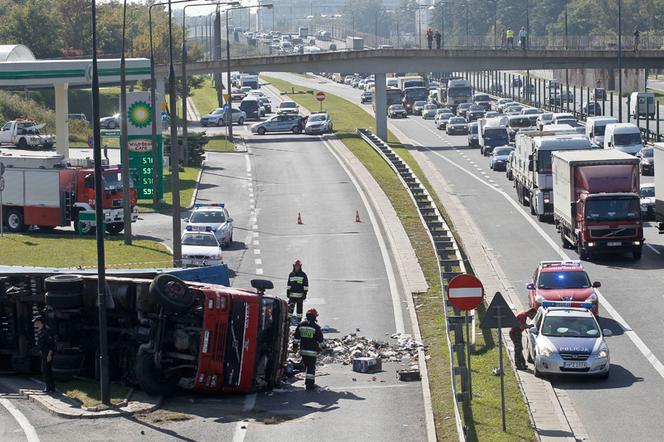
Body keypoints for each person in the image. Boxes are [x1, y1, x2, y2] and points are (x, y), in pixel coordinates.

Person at [293, 308, 325, 390]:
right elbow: (320, 340)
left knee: (306, 366)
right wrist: (324, 347)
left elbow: (296, 337)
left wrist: (295, 347)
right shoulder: (316, 327)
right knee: (311, 368)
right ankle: (309, 385)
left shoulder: (301, 325)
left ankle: (306, 381)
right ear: (315, 317)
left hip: (303, 350)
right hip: (312, 351)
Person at [34, 315, 55, 393]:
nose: (34, 323)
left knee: (45, 370)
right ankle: (51, 387)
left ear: (39, 322)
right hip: (43, 353)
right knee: (47, 370)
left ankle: (48, 387)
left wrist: (49, 355)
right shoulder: (41, 330)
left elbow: (51, 344)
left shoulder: (47, 331)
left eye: (35, 322)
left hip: (47, 353)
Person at [287, 259, 309, 323]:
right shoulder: (291, 274)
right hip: (292, 296)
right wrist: (288, 292)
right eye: (296, 266)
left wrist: (305, 293)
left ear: (300, 266)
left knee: (299, 309)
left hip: (300, 296)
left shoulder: (303, 275)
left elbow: (306, 285)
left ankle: (299, 321)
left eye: (298, 266)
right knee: (290, 309)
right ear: (294, 266)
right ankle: (288, 320)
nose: (297, 267)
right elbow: (289, 284)